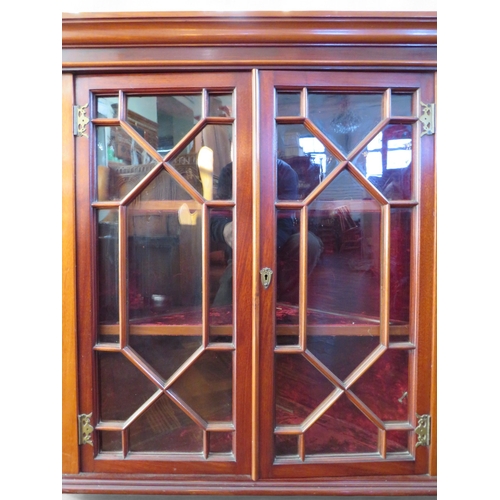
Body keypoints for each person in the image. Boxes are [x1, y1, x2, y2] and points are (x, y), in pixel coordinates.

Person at [210, 159, 323, 305]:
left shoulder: (285, 172)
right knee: (224, 303)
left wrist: (265, 249)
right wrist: (225, 229)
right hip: (244, 248)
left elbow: (285, 223)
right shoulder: (229, 172)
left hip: (279, 241)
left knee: (308, 243)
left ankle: (287, 303)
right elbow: (216, 216)